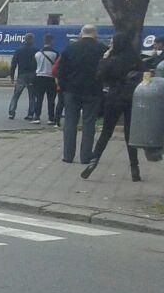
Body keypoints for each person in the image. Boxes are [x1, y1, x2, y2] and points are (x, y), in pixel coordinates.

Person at [82, 32, 143, 181]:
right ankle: (134, 168)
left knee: (106, 132)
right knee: (130, 134)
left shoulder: (112, 60)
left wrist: (104, 59)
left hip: (114, 98)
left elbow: (100, 76)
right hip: (132, 98)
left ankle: (93, 161)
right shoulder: (135, 59)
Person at [56, 24, 107, 164]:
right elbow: (106, 70)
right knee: (89, 123)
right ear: (95, 35)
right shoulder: (102, 49)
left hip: (72, 91)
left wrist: (65, 88)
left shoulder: (70, 48)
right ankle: (85, 157)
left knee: (70, 122)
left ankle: (68, 155)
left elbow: (61, 72)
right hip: (93, 91)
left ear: (81, 34)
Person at [8, 33, 38, 120]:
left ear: (24, 39)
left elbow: (13, 64)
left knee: (16, 95)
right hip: (32, 75)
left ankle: (11, 112)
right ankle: (30, 114)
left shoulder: (19, 50)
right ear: (32, 39)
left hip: (21, 75)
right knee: (32, 96)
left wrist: (12, 76)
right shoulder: (36, 50)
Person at [32, 34, 60, 125]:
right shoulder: (55, 54)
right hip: (51, 78)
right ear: (51, 41)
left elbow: (34, 67)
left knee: (39, 98)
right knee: (51, 99)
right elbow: (57, 67)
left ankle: (37, 117)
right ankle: (51, 118)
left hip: (39, 77)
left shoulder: (37, 54)